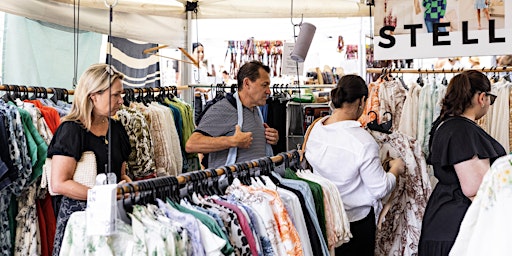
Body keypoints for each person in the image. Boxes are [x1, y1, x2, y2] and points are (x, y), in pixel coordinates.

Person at [304, 74, 406, 256]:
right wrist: (395, 170)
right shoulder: (362, 142)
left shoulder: (316, 128)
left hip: (324, 217)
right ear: (362, 101)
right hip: (354, 224)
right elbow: (380, 188)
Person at [418, 70, 506, 256]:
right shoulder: (462, 130)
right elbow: (475, 189)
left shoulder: (445, 124)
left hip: (444, 219)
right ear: (482, 98)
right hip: (458, 225)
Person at [48, 63, 131, 255]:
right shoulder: (71, 130)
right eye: (115, 95)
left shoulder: (117, 129)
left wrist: (130, 190)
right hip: (80, 220)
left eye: (121, 95)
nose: (121, 101)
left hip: (114, 215)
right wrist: (102, 196)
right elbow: (59, 183)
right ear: (94, 95)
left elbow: (122, 174)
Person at [185, 60, 279, 169]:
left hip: (255, 183)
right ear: (247, 83)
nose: (269, 91)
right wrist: (232, 141)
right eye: (264, 85)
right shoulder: (223, 108)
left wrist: (270, 138)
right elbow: (191, 145)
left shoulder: (256, 110)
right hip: (230, 184)